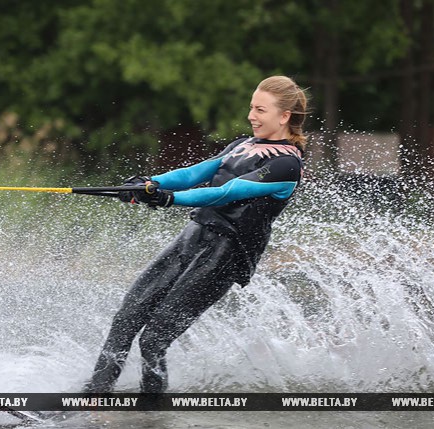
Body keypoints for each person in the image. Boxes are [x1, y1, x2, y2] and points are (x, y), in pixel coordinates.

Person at [84, 75, 308, 393]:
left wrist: (169, 199)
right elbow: (195, 173)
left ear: (284, 116)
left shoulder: (287, 165)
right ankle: (94, 395)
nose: (251, 116)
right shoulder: (242, 145)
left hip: (227, 254)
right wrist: (150, 184)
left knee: (153, 339)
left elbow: (228, 192)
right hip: (195, 235)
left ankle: (152, 412)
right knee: (128, 316)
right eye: (251, 108)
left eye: (260, 110)